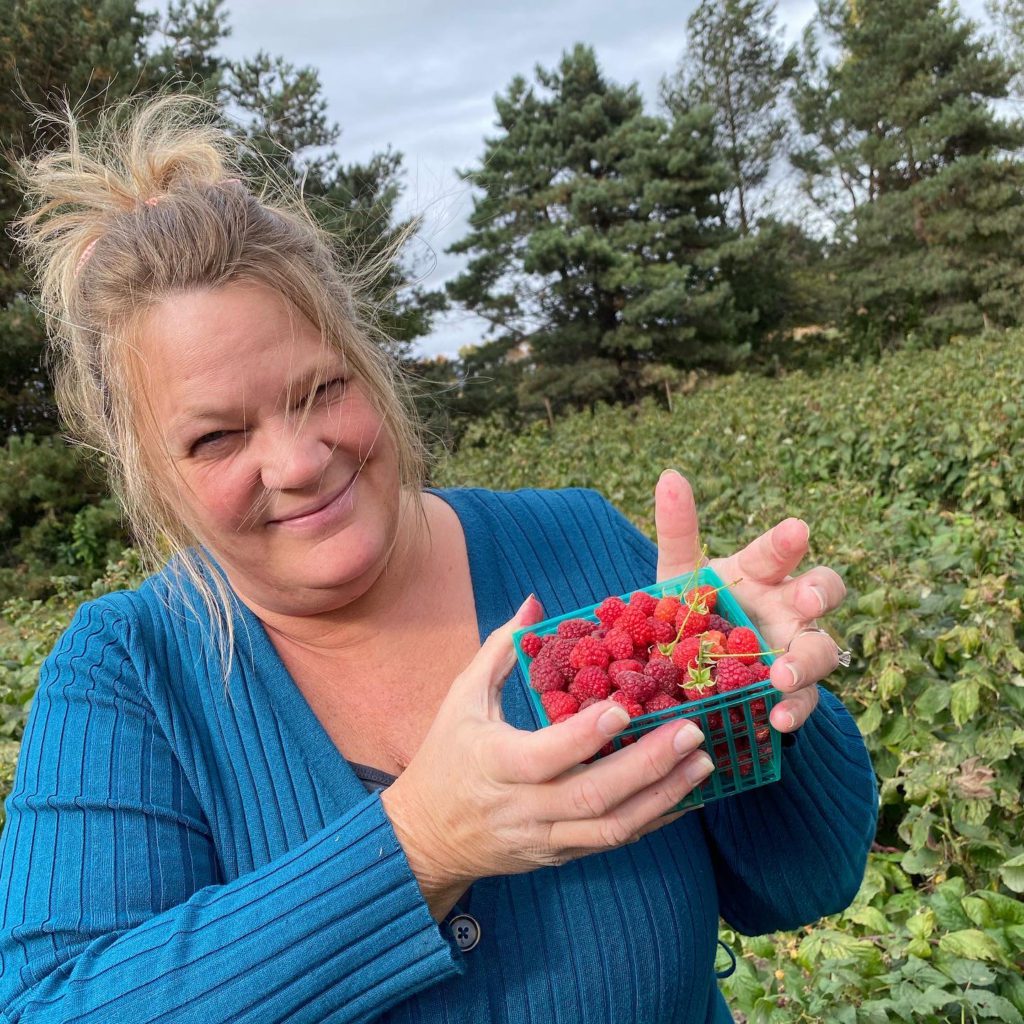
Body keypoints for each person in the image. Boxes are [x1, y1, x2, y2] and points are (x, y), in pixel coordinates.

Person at [0, 95, 877, 1024]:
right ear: (148, 473)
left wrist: (763, 698)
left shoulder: (580, 546)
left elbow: (801, 883)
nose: (298, 463)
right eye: (217, 437)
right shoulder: (130, 677)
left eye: (321, 389)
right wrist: (420, 846)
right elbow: (55, 1006)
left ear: (371, 362)